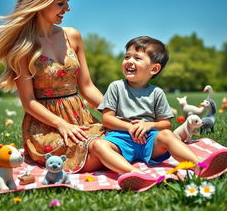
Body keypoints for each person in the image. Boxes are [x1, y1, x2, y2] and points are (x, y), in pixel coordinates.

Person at [0, 0, 104, 172]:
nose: (67, 8)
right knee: (92, 154)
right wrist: (61, 124)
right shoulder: (23, 46)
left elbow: (87, 87)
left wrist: (114, 112)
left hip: (81, 118)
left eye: (68, 1)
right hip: (45, 126)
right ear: (41, 1)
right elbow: (28, 101)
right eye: (61, 3)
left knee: (121, 142)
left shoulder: (73, 36)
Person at [81, 36, 227, 190]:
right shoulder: (116, 87)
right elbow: (107, 119)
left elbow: (166, 124)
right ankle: (135, 174)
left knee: (167, 135)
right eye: (127, 57)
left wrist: (149, 125)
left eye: (137, 58)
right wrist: (129, 127)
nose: (129, 61)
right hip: (120, 139)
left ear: (154, 69)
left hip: (149, 141)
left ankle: (199, 166)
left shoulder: (156, 93)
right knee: (98, 145)